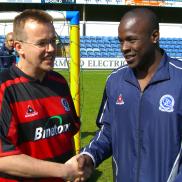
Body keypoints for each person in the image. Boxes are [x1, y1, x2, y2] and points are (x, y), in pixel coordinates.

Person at [73, 7, 182, 182]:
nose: (124, 48)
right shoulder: (115, 81)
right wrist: (90, 156)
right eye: (121, 41)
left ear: (154, 37)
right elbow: (108, 131)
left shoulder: (179, 79)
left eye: (131, 40)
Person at [0, 9, 83, 182]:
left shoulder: (59, 82)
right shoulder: (4, 88)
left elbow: (68, 133)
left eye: (53, 41)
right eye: (42, 43)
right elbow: (3, 159)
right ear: (19, 47)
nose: (52, 49)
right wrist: (64, 170)